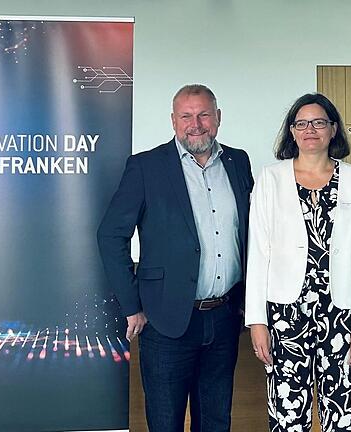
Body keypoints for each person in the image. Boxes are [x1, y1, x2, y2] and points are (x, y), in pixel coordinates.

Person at [97, 84, 253, 432]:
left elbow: (251, 233)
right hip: (165, 320)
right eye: (186, 116)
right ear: (173, 120)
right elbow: (110, 235)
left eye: (203, 114)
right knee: (165, 421)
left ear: (218, 118)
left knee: (215, 420)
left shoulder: (237, 161)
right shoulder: (146, 167)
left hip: (224, 316)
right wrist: (131, 305)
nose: (195, 124)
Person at [245, 93, 351, 432]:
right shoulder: (270, 179)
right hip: (285, 316)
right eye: (301, 123)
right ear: (292, 131)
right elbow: (257, 253)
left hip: (342, 315)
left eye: (319, 122)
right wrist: (257, 321)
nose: (310, 130)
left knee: (345, 415)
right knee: (288, 417)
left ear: (333, 129)